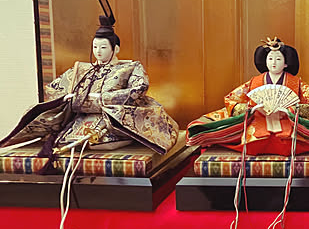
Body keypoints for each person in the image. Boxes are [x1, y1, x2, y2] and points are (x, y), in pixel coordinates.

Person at [0, 17, 179, 157]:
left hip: (111, 117)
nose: (98, 51)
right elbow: (55, 87)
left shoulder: (130, 67)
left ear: (115, 49)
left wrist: (103, 99)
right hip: (81, 117)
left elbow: (139, 88)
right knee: (64, 136)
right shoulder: (82, 69)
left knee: (103, 138)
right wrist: (66, 97)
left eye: (103, 47)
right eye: (95, 47)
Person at [187, 37, 309, 155]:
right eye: (270, 59)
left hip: (286, 120)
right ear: (265, 61)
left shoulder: (296, 82)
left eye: (278, 59)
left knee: (291, 142)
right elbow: (231, 99)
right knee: (251, 142)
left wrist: (291, 110)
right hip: (259, 120)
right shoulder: (254, 82)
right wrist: (251, 110)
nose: (274, 62)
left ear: (286, 63)